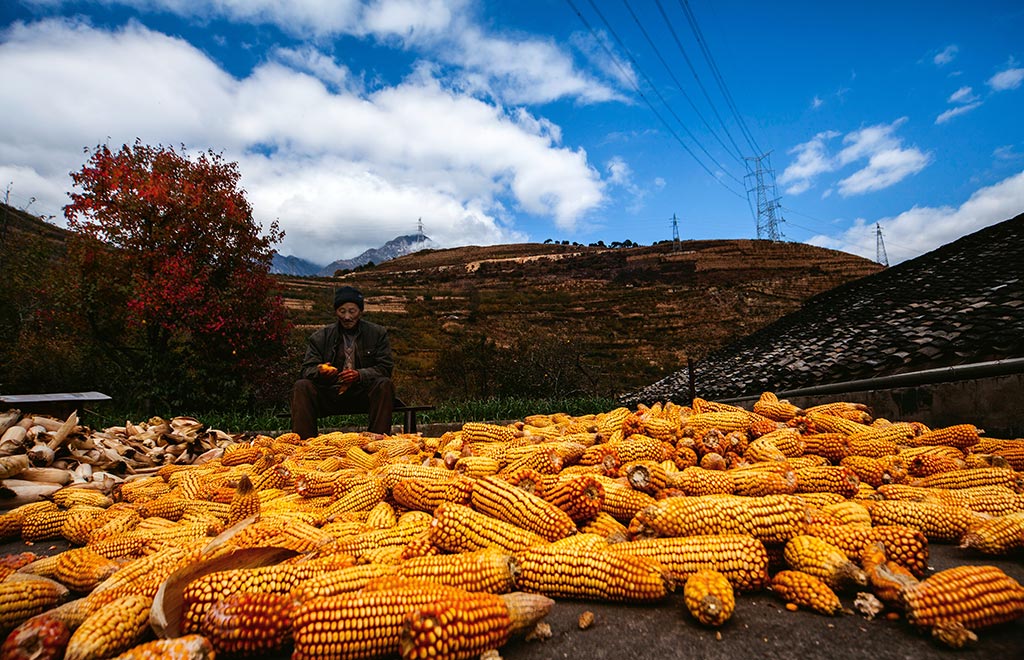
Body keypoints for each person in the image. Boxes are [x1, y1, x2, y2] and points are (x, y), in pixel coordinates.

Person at [291, 285, 395, 438]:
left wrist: (359, 375)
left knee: (385, 384)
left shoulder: (377, 333)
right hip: (330, 393)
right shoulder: (320, 337)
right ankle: (305, 444)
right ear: (336, 312)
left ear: (360, 311)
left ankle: (377, 442)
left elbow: (385, 367)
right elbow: (306, 370)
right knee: (301, 386)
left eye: (352, 311)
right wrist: (321, 372)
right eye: (342, 311)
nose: (347, 317)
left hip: (362, 393)